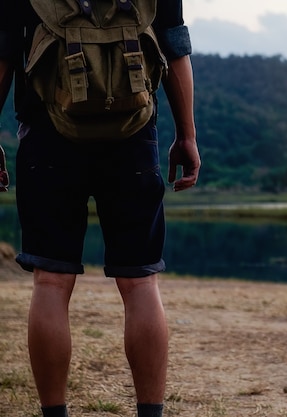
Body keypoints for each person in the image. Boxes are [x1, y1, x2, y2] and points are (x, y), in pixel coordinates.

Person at [0, 1, 201, 416]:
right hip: (133, 136)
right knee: (141, 285)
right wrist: (188, 136)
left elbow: (3, 53)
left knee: (51, 283)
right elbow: (175, 48)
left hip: (47, 135)